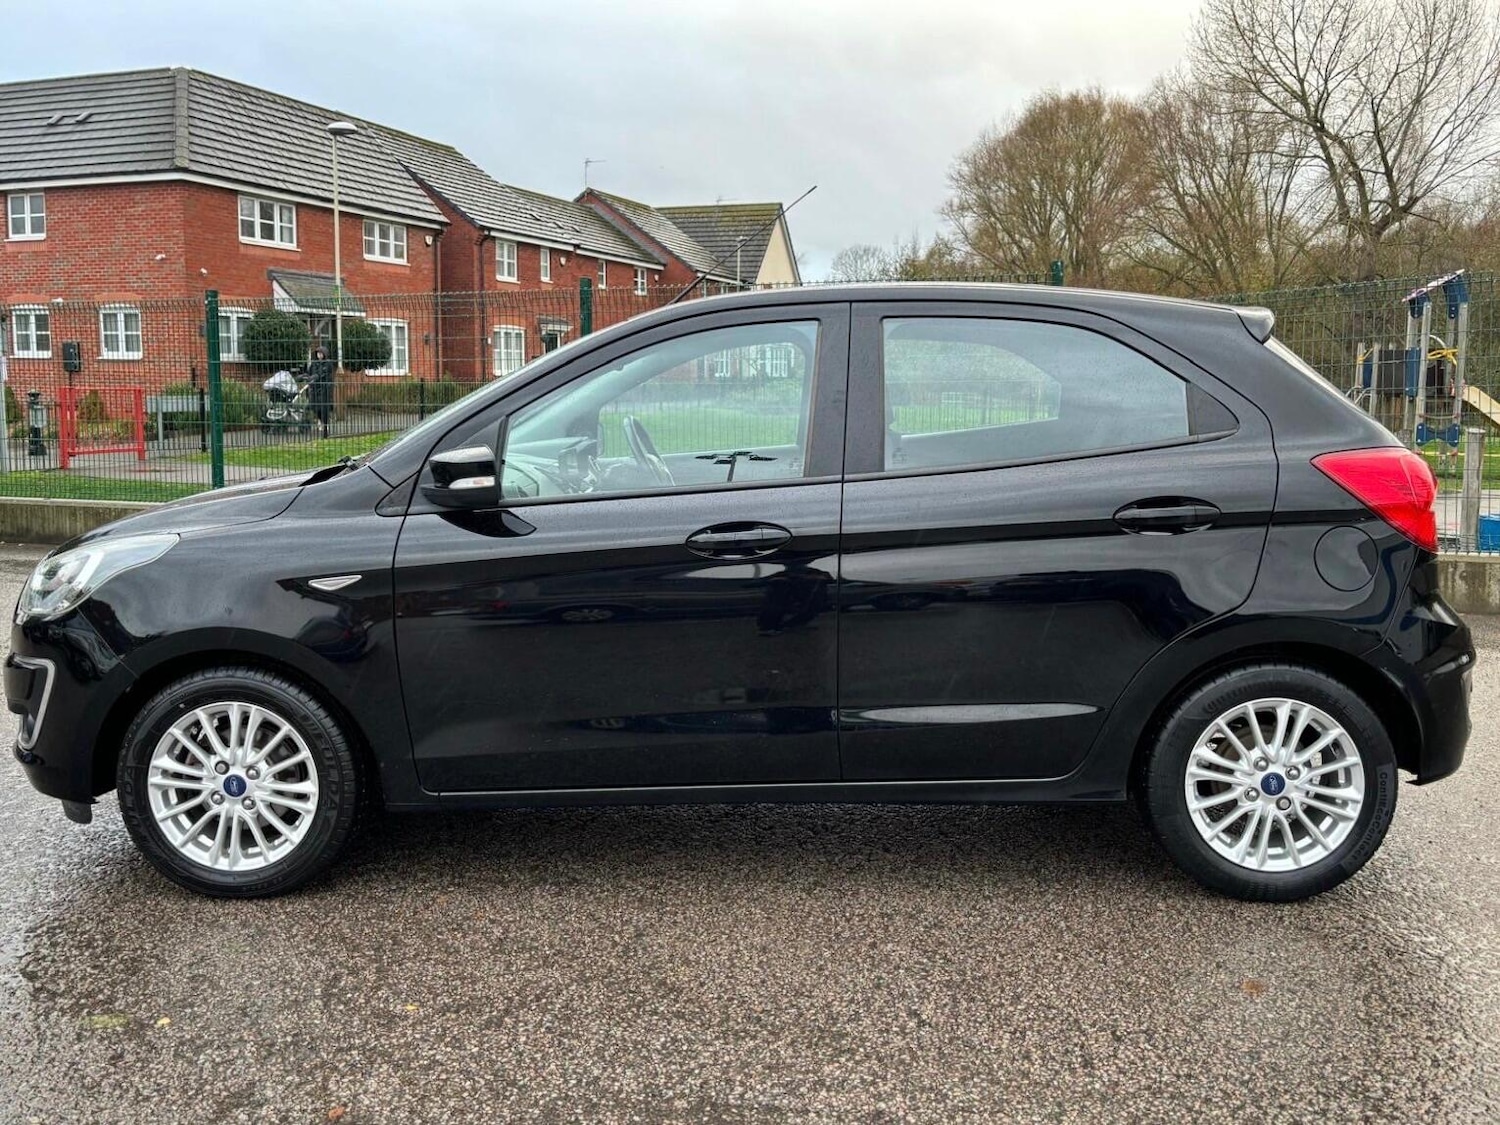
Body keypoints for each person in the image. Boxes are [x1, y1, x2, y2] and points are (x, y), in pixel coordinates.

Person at [308, 345, 335, 437]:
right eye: (318, 354)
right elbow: (310, 373)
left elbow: (325, 373)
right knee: (316, 408)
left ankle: (325, 426)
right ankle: (320, 421)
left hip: (324, 389)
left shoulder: (328, 363)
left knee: (324, 409)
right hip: (315, 389)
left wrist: (318, 376)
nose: (319, 355)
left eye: (321, 354)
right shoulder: (314, 364)